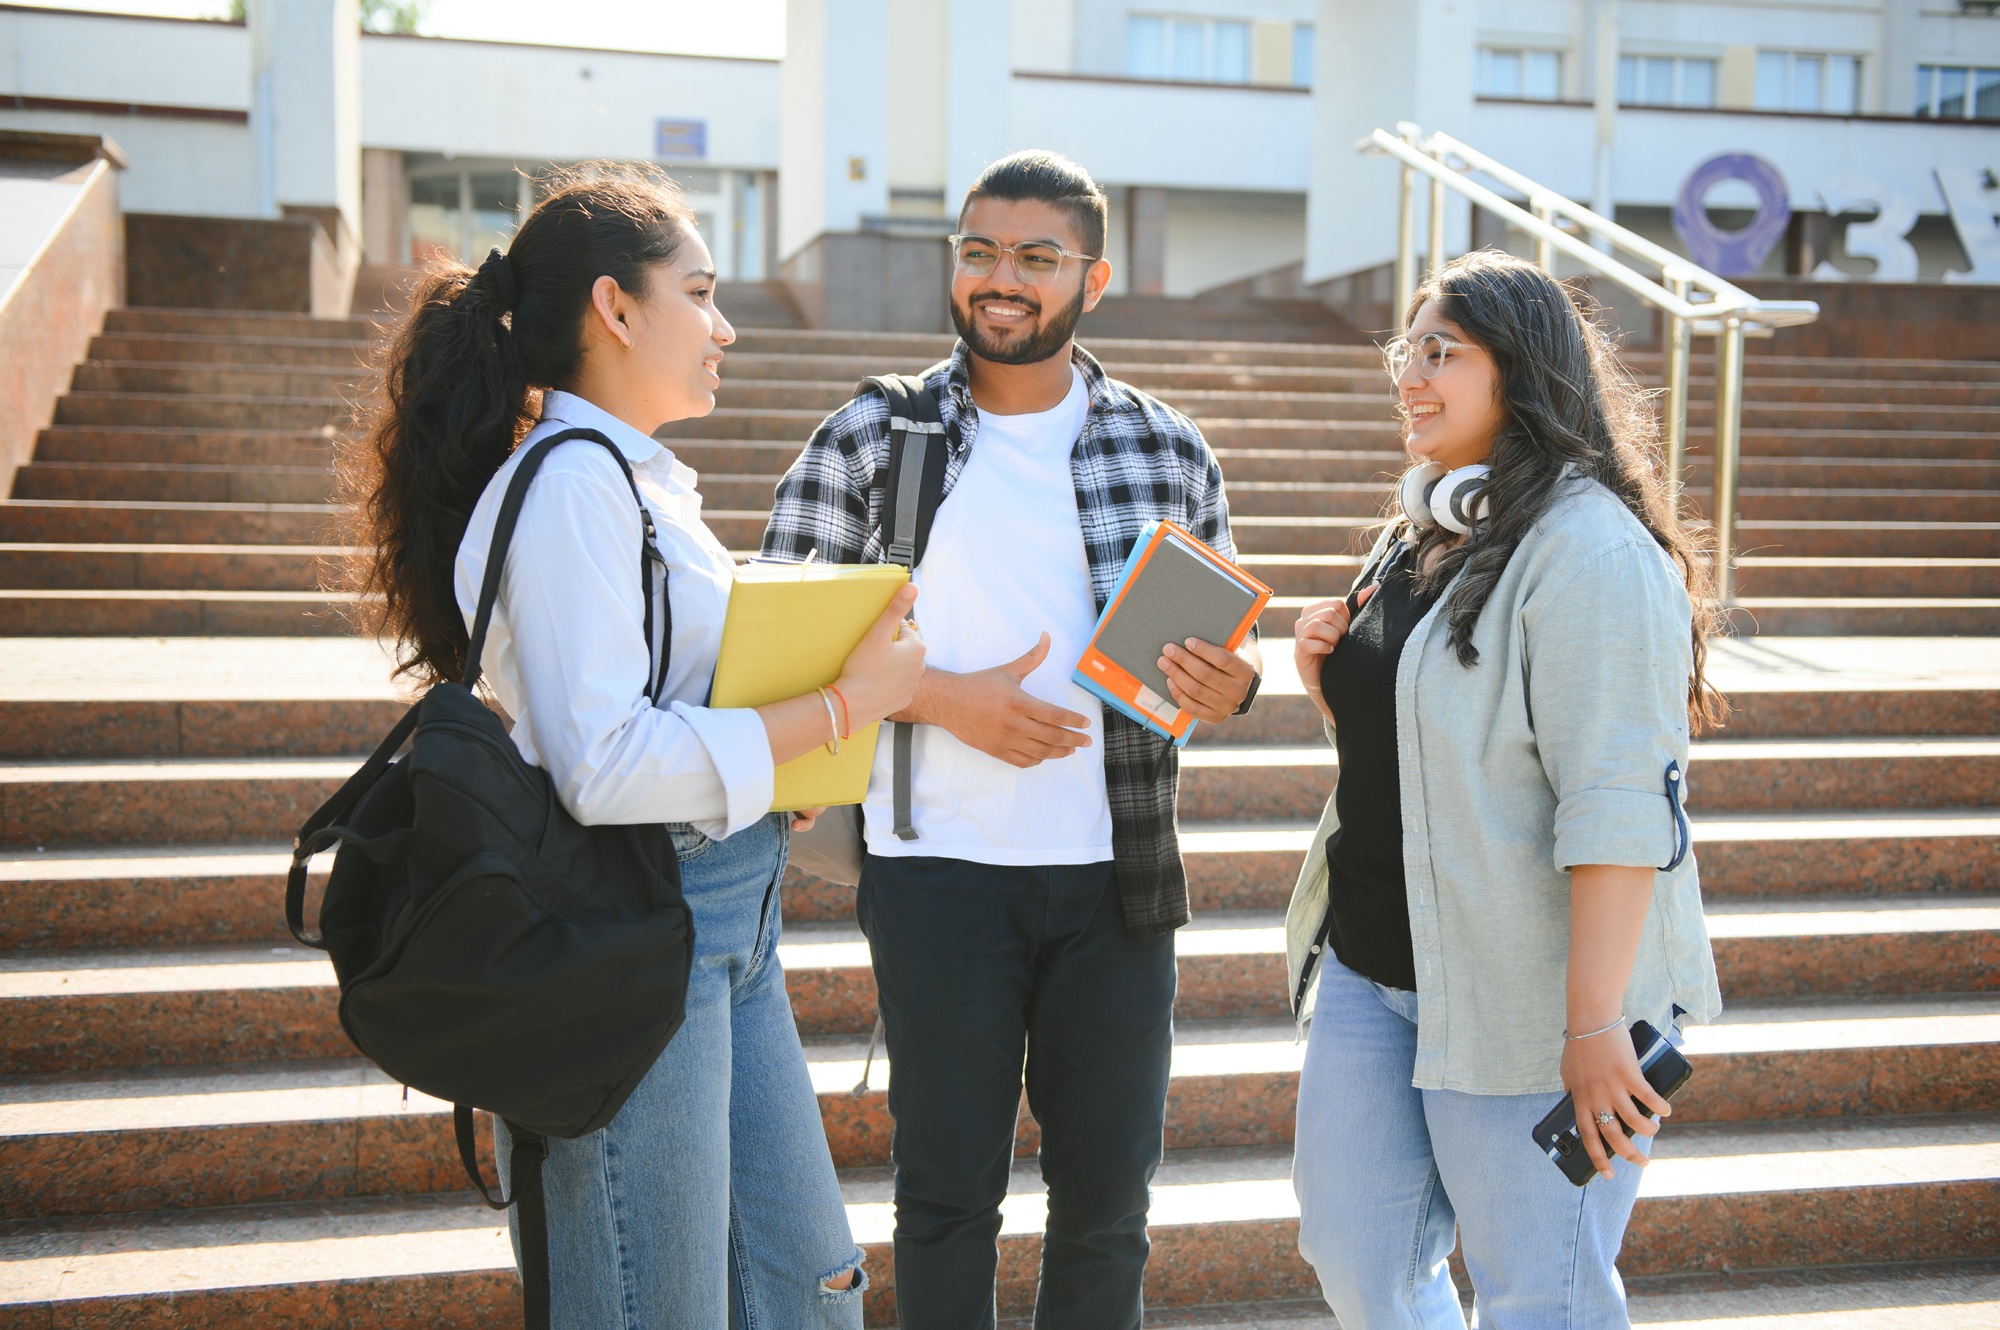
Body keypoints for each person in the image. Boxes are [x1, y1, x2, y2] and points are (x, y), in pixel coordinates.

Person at [340, 166, 926, 1329]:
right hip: (634, 925)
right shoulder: (573, 490)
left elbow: (663, 704)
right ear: (614, 307)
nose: (723, 326)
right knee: (656, 1305)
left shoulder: (633, 481)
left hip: (722, 919)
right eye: (699, 294)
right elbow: (602, 765)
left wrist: (772, 777)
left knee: (809, 1287)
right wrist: (840, 710)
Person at [760, 150, 1260, 1329]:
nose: (1001, 279)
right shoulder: (877, 435)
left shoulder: (1167, 448)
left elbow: (1206, 674)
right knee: (944, 1199)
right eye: (979, 251)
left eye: (1035, 258)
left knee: (1105, 1205)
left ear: (1091, 276)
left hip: (1115, 880)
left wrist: (1227, 687)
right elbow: (771, 650)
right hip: (936, 876)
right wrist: (940, 697)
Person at [1283, 250, 1725, 1329]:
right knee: (1357, 1257)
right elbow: (1449, 747)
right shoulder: (1423, 529)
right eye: (1405, 350)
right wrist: (1329, 684)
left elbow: (1619, 804)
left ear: (1517, 372)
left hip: (1531, 996)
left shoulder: (1590, 552)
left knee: (1542, 1292)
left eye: (1440, 352)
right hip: (1375, 968)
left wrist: (1589, 1027)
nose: (1409, 375)